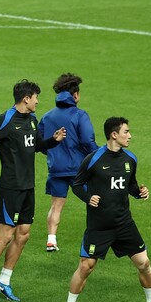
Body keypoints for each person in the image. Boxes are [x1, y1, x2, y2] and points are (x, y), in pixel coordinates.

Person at [58, 117, 151, 302]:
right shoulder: (93, 159)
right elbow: (77, 184)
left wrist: (139, 192)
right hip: (99, 226)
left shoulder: (130, 159)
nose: (130, 135)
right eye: (126, 132)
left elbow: (130, 185)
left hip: (124, 223)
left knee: (144, 263)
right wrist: (88, 197)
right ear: (114, 135)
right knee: (86, 267)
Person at [0, 80, 66, 301]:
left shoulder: (32, 120)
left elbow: (36, 145)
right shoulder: (5, 119)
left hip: (28, 186)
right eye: (35, 97)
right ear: (26, 98)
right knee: (6, 235)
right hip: (11, 187)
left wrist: (53, 141)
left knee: (24, 234)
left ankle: (4, 280)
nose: (37, 101)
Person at [38, 73, 98, 252]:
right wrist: (99, 156)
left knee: (56, 205)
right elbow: (88, 141)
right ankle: (97, 236)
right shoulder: (80, 115)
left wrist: (52, 154)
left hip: (56, 168)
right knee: (93, 201)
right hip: (79, 169)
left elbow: (40, 143)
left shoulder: (47, 117)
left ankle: (51, 240)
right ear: (76, 95)